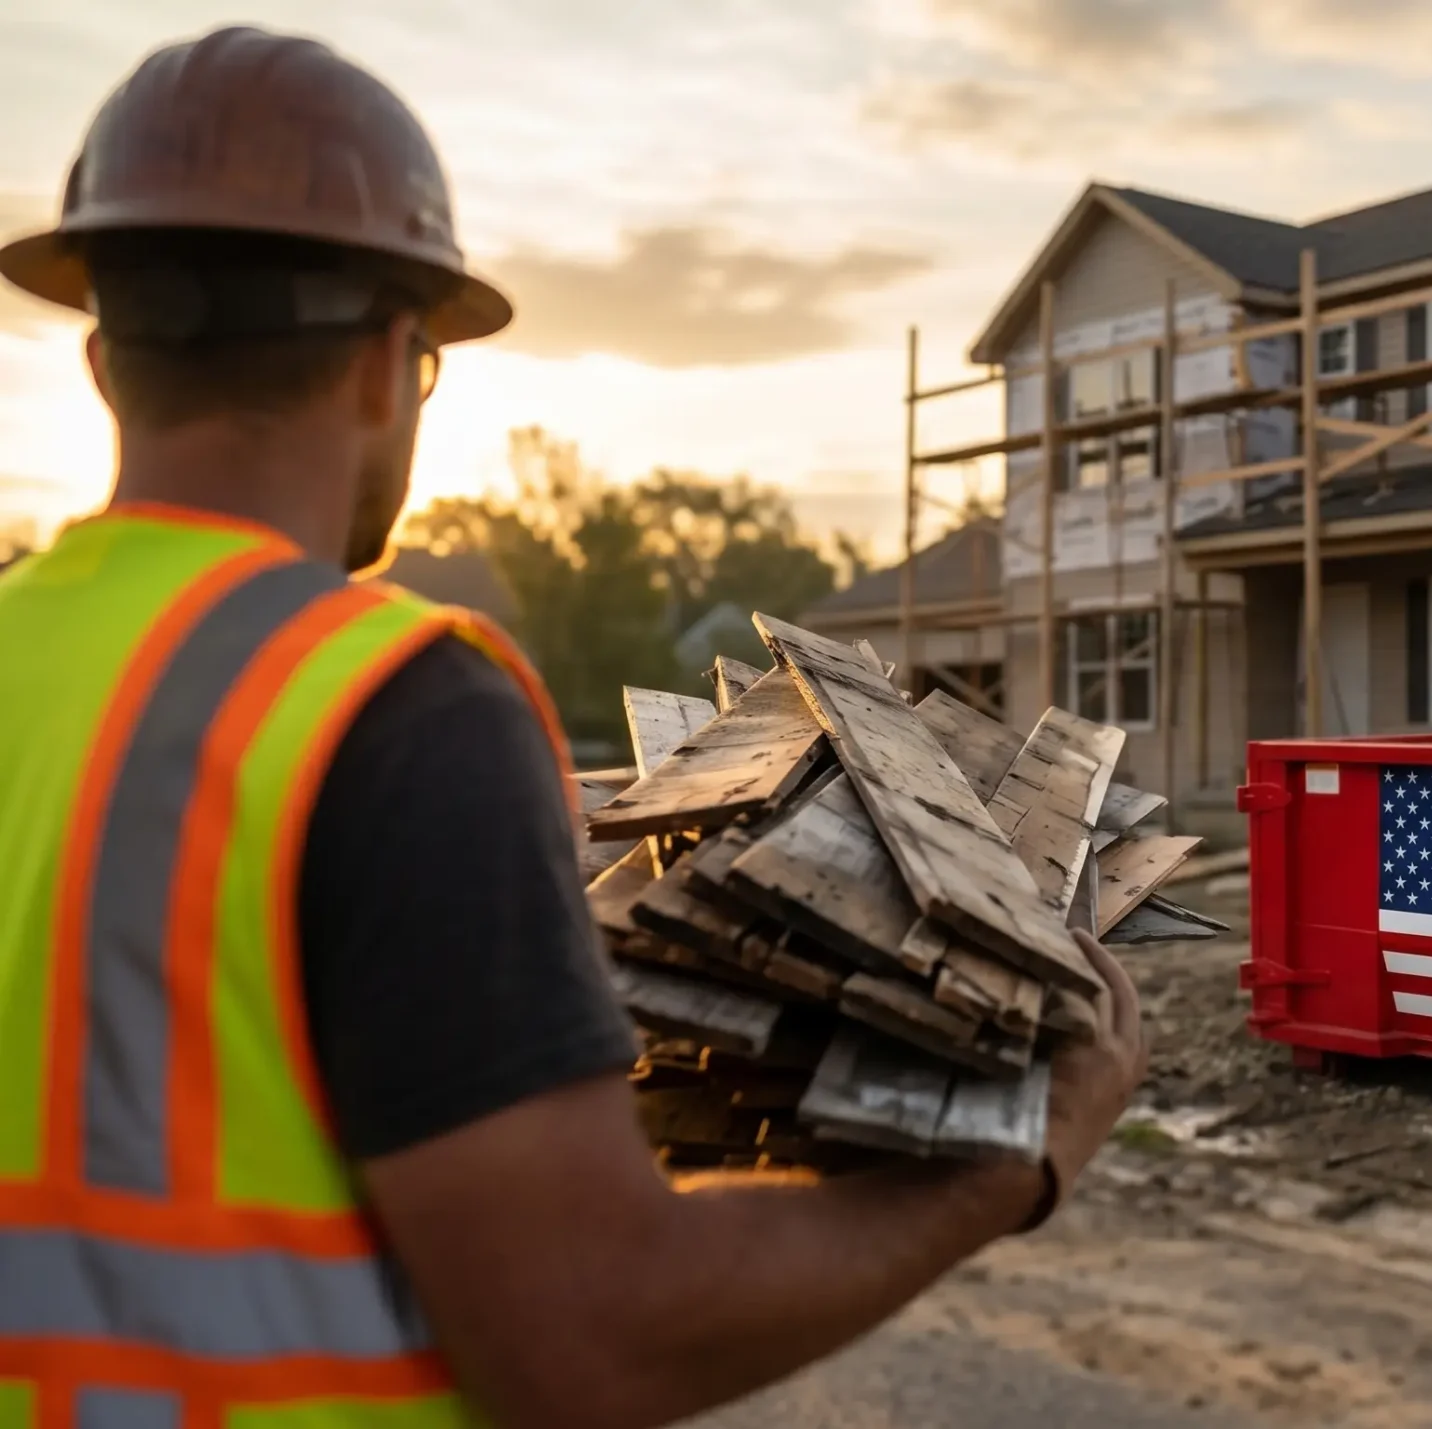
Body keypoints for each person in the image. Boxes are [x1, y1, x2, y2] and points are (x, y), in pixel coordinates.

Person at [0, 26, 1147, 1429]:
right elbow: (595, 1335)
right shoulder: (387, 711)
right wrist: (1018, 1161)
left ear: (105, 360)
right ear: (391, 364)